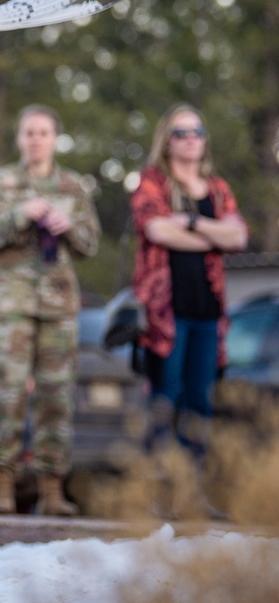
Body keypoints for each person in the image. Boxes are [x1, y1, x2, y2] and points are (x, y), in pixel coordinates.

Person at [0, 104, 100, 516]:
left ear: (55, 138)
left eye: (43, 133)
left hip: (58, 308)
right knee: (6, 395)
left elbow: (90, 244)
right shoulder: (1, 183)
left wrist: (69, 226)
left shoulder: (73, 187)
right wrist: (16, 215)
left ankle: (52, 490)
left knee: (56, 397)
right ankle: (2, 489)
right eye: (29, 133)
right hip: (11, 307)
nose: (36, 140)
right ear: (20, 138)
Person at [130, 103, 247, 512]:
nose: (191, 138)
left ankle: (191, 492)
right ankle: (158, 494)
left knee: (200, 400)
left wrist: (192, 224)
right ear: (168, 139)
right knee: (166, 397)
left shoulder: (215, 188)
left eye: (197, 131)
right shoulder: (152, 182)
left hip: (208, 311)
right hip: (166, 313)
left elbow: (237, 238)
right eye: (181, 132)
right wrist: (212, 236)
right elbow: (155, 228)